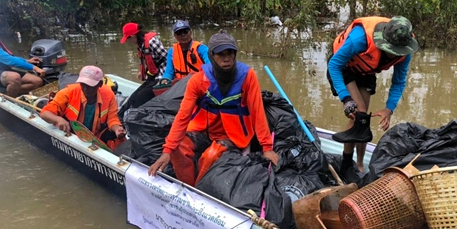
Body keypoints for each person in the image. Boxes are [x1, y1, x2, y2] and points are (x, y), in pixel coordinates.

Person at [148, 30, 279, 186]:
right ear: (212, 56)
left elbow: (257, 112)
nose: (226, 58)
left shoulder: (247, 76)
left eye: (230, 53)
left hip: (233, 134)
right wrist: (167, 150)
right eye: (220, 54)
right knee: (178, 148)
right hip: (204, 129)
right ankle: (187, 187)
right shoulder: (198, 80)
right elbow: (183, 116)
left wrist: (267, 147)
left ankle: (198, 190)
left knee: (210, 156)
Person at [327, 16, 419, 174]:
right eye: (390, 50)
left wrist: (389, 109)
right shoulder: (359, 39)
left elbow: (398, 82)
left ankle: (361, 165)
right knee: (359, 113)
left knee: (364, 119)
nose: (393, 55)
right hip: (344, 68)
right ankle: (346, 164)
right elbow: (334, 65)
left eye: (397, 52)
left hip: (366, 70)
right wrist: (346, 99)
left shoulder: (405, 50)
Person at [40, 65, 126, 150]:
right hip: (73, 132)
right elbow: (45, 113)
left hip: (96, 134)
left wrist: (117, 128)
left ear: (99, 84)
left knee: (118, 138)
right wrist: (58, 119)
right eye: (83, 84)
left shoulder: (108, 94)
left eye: (90, 86)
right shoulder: (68, 92)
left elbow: (112, 118)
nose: (85, 88)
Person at [0, 4, 46, 97]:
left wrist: (26, 61)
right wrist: (33, 67)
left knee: (37, 82)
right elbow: (7, 59)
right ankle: (7, 102)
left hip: (1, 67)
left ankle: (5, 94)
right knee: (14, 78)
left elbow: (6, 54)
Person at [159, 20, 210, 85]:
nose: (183, 35)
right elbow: (169, 72)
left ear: (190, 32)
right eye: (179, 33)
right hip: (180, 85)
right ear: (175, 36)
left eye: (185, 31)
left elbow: (210, 66)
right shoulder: (172, 52)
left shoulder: (201, 49)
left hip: (198, 84)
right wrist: (165, 79)